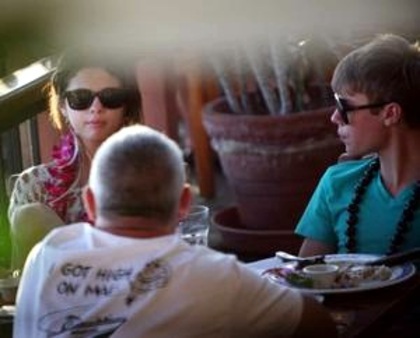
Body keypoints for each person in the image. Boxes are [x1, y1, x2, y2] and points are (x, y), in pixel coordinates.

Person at [14, 125, 337, 338]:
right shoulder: (214, 276)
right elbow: (319, 326)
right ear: (184, 203)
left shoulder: (46, 255)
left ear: (91, 202)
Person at [7, 51, 142, 270]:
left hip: (131, 292)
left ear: (126, 106)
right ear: (63, 107)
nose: (96, 108)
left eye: (110, 97)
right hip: (56, 300)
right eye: (80, 98)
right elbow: (20, 278)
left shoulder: (150, 176)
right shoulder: (34, 186)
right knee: (31, 216)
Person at [295, 34, 420, 256]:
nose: (334, 117)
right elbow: (307, 276)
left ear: (390, 113)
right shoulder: (337, 183)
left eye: (343, 106)